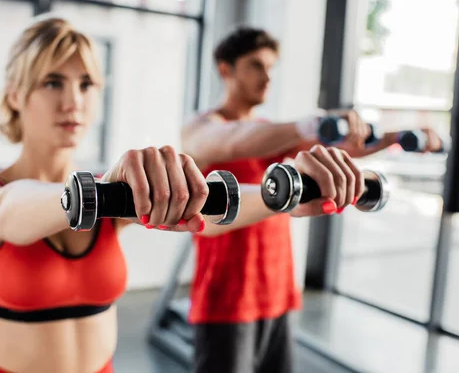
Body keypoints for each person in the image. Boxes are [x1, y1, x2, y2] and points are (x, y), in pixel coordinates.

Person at [0, 17, 368, 373]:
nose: (73, 101)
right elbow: (7, 214)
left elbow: (207, 214)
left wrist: (282, 194)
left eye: (86, 84)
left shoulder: (108, 191)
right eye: (53, 82)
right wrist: (95, 193)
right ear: (16, 95)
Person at [182, 26, 444, 373]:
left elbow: (341, 148)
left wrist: (401, 137)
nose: (267, 77)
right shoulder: (204, 128)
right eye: (256, 65)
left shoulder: (269, 129)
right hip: (228, 299)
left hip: (276, 292)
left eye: (271, 67)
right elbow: (233, 140)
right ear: (225, 69)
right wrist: (312, 124)